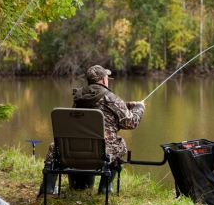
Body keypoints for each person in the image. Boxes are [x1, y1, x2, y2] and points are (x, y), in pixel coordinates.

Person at [37, 65, 145, 197]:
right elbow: (131, 123)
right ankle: (105, 188)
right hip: (101, 152)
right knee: (120, 144)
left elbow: (100, 106)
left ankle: (47, 190)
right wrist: (139, 107)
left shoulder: (79, 97)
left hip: (70, 150)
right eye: (106, 76)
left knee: (54, 147)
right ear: (103, 80)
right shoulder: (111, 98)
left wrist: (126, 105)